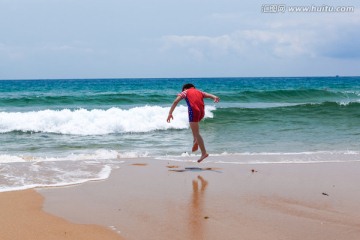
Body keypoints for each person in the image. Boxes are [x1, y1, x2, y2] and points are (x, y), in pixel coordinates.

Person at [167, 83, 220, 163]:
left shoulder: (185, 92)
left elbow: (175, 101)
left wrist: (170, 113)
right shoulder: (199, 92)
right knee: (195, 129)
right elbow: (208, 95)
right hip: (201, 113)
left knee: (196, 132)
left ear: (185, 88)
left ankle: (203, 152)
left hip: (194, 111)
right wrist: (214, 97)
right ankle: (195, 140)